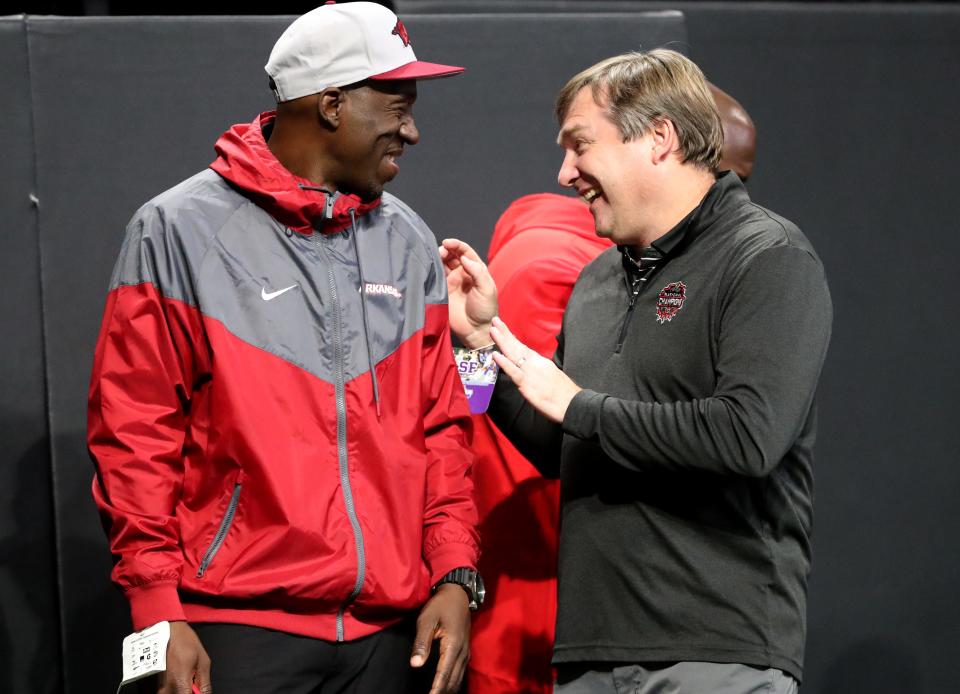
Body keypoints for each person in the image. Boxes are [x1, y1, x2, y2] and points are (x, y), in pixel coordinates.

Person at [87, 4, 481, 694]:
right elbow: (133, 436)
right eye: (397, 107)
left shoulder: (409, 239)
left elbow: (443, 427)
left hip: (391, 637)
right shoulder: (176, 229)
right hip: (236, 631)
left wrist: (454, 573)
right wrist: (156, 610)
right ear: (332, 104)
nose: (413, 132)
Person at [443, 49, 831, 694]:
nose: (565, 171)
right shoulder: (598, 277)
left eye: (580, 145)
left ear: (659, 138)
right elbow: (558, 450)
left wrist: (578, 407)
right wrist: (476, 347)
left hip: (716, 653)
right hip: (588, 653)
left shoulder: (768, 256)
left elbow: (749, 437)